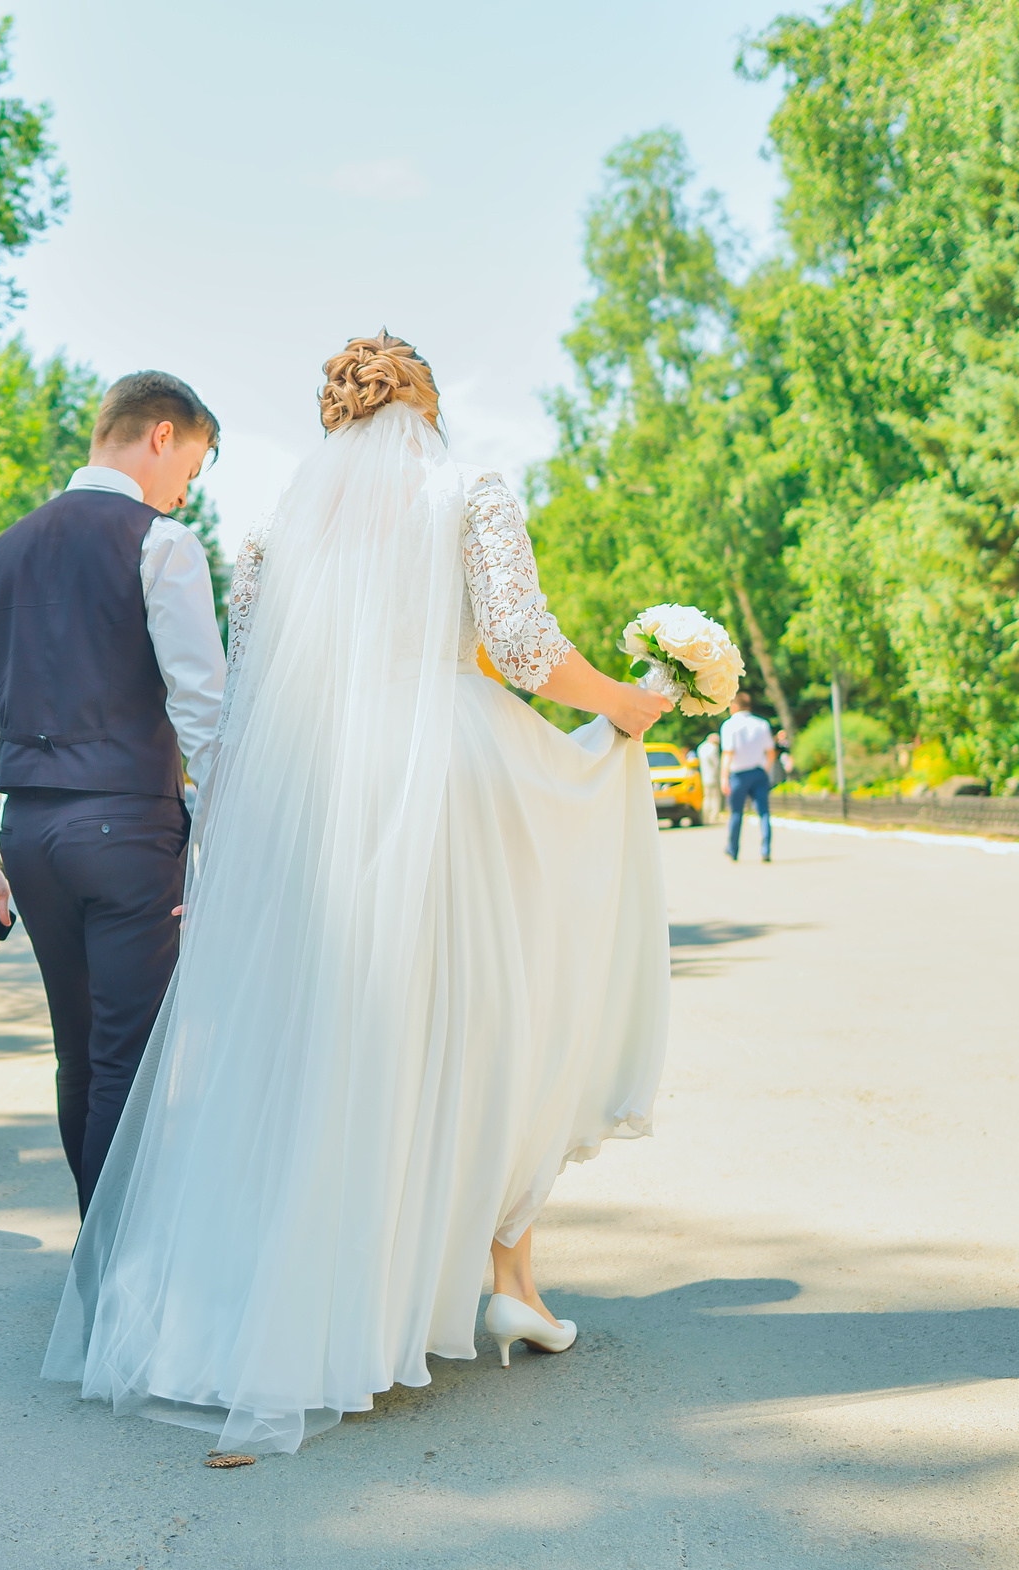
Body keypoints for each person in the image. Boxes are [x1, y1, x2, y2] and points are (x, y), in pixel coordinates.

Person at [43, 336, 675, 1455]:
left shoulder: (275, 529)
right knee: (488, 1030)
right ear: (427, 406)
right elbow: (523, 647)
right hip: (447, 785)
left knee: (318, 1047)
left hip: (312, 795)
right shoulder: (467, 488)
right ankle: (487, 1276)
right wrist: (622, 701)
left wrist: (222, 854)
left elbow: (238, 710)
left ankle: (464, 1285)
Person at [0, 371, 226, 1215]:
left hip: (31, 841)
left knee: (80, 1052)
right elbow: (202, 711)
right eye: (195, 466)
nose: (187, 491)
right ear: (161, 437)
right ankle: (113, 1277)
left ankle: (94, 1265)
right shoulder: (163, 544)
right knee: (128, 1061)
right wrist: (231, 834)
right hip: (128, 836)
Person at [718, 690, 778, 862]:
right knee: (764, 813)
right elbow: (771, 752)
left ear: (735, 706)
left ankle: (733, 849)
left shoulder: (729, 725)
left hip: (738, 774)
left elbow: (728, 753)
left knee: (736, 813)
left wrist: (723, 777)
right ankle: (765, 849)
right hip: (758, 772)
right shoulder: (762, 724)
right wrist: (764, 768)